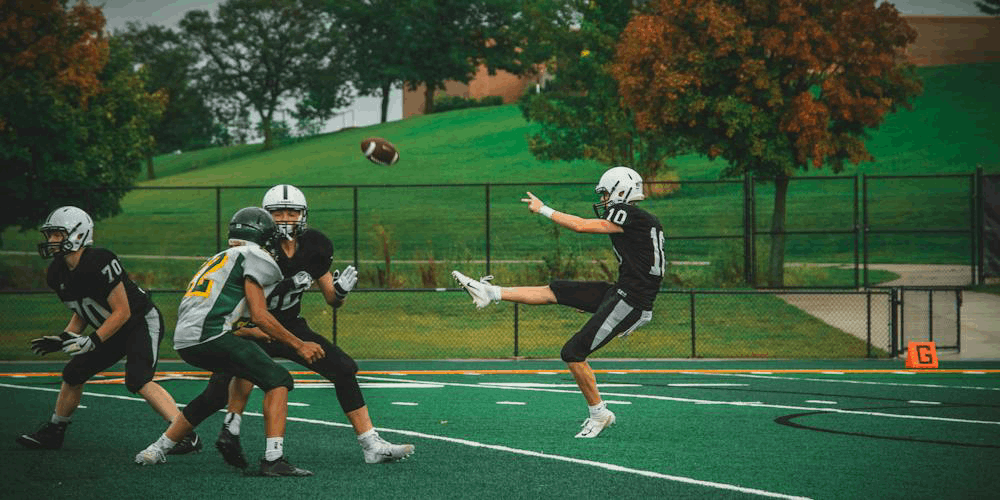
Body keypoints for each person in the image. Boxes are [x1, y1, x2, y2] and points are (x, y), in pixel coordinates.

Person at [209, 184, 413, 468]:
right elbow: (247, 298)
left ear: (303, 215)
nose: (285, 218)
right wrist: (287, 285)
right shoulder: (257, 247)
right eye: (278, 212)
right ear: (266, 216)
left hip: (290, 324)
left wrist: (340, 291)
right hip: (253, 323)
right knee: (222, 383)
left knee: (343, 368)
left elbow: (331, 299)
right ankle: (213, 433)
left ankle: (370, 444)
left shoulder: (315, 245)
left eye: (291, 212)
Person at [452, 166, 664, 438]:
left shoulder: (631, 214)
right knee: (558, 290)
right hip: (624, 291)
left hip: (631, 299)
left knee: (573, 352)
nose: (603, 200)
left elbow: (581, 225)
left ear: (621, 189)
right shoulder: (644, 220)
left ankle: (599, 413)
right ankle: (489, 293)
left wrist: (543, 209)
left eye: (605, 194)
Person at [134, 207, 325, 477]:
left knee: (214, 396)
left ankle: (157, 449)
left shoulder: (221, 258)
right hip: (211, 334)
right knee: (279, 380)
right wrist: (299, 344)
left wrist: (254, 332)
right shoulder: (255, 256)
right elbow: (260, 314)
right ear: (264, 237)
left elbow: (229, 310)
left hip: (186, 339)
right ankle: (274, 458)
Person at [17, 206, 201, 454]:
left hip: (139, 321)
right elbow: (82, 309)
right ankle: (55, 431)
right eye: (49, 235)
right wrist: (65, 336)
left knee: (138, 379)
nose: (51, 241)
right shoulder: (57, 272)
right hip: (111, 328)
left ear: (78, 235)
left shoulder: (99, 260)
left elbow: (122, 311)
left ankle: (185, 434)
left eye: (57, 235)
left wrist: (92, 340)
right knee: (74, 373)